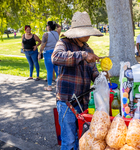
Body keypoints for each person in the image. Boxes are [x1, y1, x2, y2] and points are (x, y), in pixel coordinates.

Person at [52, 11, 103, 150]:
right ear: (77, 32)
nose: (88, 35)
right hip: (67, 102)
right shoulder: (64, 43)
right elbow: (56, 57)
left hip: (83, 103)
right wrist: (83, 55)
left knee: (82, 141)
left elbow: (94, 74)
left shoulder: (88, 49)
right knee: (69, 142)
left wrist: (102, 77)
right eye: (85, 31)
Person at [38, 21, 61, 91]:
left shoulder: (46, 34)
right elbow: (59, 27)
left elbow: (43, 45)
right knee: (57, 70)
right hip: (56, 53)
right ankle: (58, 85)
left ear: (49, 26)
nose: (46, 27)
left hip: (48, 54)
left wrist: (39, 53)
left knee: (49, 70)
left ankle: (49, 86)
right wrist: (54, 24)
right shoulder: (57, 33)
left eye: (47, 26)